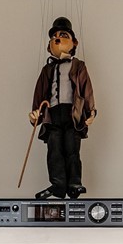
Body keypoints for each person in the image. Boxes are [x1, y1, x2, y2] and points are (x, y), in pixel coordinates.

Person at [29, 17, 96, 200]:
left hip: (72, 113)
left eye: (63, 35)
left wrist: (91, 111)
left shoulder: (78, 66)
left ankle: (74, 183)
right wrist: (36, 113)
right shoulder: (47, 70)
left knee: (72, 148)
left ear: (74, 42)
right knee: (54, 149)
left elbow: (86, 89)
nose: (57, 39)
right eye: (54, 37)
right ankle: (58, 184)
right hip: (52, 114)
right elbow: (39, 92)